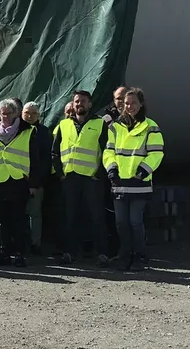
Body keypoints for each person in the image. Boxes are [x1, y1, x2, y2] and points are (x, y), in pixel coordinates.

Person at [0, 98, 44, 267]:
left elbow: (36, 160)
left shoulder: (28, 131)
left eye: (9, 113)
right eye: (2, 113)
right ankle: (5, 252)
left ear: (16, 114)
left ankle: (20, 253)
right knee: (3, 221)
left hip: (19, 181)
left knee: (19, 220)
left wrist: (33, 184)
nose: (5, 116)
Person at [104, 88, 164, 271]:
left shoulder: (150, 126)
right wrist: (111, 169)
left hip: (139, 183)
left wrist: (143, 171)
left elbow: (156, 153)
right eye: (127, 103)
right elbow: (109, 151)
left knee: (135, 221)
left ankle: (139, 255)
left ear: (141, 104)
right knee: (121, 222)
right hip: (120, 183)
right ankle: (125, 254)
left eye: (133, 103)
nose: (129, 106)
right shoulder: (116, 127)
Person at [53, 90, 111, 267]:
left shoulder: (100, 124)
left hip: (91, 178)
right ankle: (70, 252)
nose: (80, 104)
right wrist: (60, 173)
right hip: (70, 178)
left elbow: (107, 150)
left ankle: (102, 253)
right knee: (70, 217)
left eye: (84, 101)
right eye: (77, 101)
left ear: (90, 104)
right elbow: (55, 151)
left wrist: (99, 174)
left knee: (96, 217)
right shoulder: (63, 125)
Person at [21, 101, 51, 255]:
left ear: (39, 115)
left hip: (36, 181)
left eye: (33, 113)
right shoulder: (13, 131)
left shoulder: (44, 133)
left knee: (35, 213)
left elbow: (46, 159)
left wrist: (36, 180)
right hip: (17, 180)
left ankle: (35, 244)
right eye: (27, 113)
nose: (30, 116)